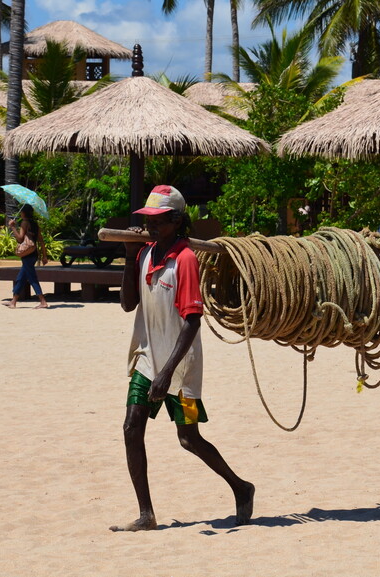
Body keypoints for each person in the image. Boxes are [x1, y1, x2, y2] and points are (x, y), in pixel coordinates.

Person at [111, 185, 254, 532]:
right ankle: (146, 514)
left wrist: (169, 373)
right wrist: (130, 258)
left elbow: (192, 322)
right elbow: (129, 304)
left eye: (159, 221)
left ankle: (241, 487)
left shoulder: (186, 259)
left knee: (188, 438)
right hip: (146, 358)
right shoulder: (144, 254)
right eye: (147, 221)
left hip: (182, 366)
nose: (150, 227)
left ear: (176, 220)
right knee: (132, 428)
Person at [4, 205, 49, 309]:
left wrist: (13, 227)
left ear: (23, 213)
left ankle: (43, 301)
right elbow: (41, 241)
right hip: (33, 253)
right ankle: (13, 301)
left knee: (32, 278)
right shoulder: (35, 224)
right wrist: (44, 256)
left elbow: (20, 239)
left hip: (27, 254)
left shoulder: (25, 223)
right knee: (21, 278)